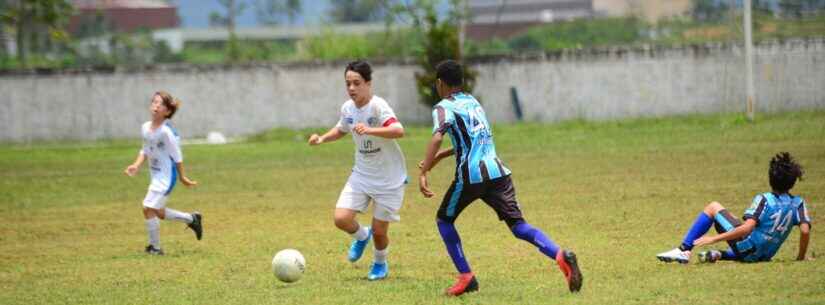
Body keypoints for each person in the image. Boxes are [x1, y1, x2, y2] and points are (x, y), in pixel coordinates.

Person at [418, 60, 582, 296]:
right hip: (498, 173)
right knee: (518, 226)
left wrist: (424, 171)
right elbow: (472, 138)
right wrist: (442, 156)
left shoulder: (443, 107)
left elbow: (437, 137)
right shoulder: (473, 102)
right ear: (461, 81)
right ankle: (560, 255)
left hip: (471, 177)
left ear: (440, 83)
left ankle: (467, 277)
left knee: (444, 220)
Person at [308, 60, 407, 281]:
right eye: (348, 84)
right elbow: (342, 128)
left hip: (389, 178)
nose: (352, 88)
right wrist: (322, 138)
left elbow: (398, 130)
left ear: (368, 83)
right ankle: (362, 237)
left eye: (356, 83)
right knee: (341, 218)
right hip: (362, 174)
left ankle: (380, 264)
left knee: (381, 232)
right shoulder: (348, 108)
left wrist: (371, 129)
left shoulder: (378, 106)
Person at [656, 152, 811, 263]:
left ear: (771, 178)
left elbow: (747, 229)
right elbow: (804, 230)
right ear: (792, 182)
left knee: (713, 207)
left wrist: (713, 239)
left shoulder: (765, 199)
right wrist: (801, 257)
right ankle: (721, 255)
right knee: (734, 221)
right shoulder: (798, 203)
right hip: (765, 257)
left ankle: (683, 250)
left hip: (747, 249)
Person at [124, 91, 202, 255]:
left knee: (147, 208)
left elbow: (177, 157)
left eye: (160, 104)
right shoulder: (145, 127)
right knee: (158, 212)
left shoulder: (166, 132)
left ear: (167, 111)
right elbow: (145, 149)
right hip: (155, 175)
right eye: (154, 102)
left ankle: (155, 248)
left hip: (167, 177)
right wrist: (136, 165)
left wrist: (182, 177)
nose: (156, 105)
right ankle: (192, 219)